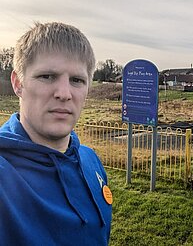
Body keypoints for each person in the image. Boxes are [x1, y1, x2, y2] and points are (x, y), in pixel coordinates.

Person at [0, 22, 112, 245]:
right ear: (18, 83)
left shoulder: (91, 161)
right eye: (47, 76)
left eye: (77, 80)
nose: (64, 93)